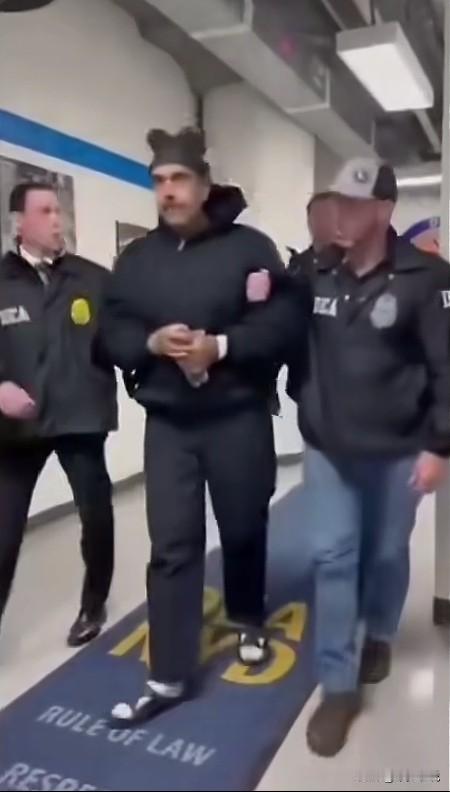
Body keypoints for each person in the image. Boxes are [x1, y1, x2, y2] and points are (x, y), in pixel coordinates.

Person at [101, 126, 305, 724]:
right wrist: (149, 342)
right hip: (169, 424)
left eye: (179, 179)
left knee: (242, 527)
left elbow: (282, 325)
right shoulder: (137, 260)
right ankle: (167, 674)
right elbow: (111, 329)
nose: (168, 191)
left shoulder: (250, 249)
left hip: (238, 416)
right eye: (159, 181)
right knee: (171, 547)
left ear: (204, 184)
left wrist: (222, 345)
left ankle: (247, 617)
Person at [287, 159, 450, 757]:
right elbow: (277, 330)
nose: (341, 213)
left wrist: (439, 445)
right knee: (333, 557)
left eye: (355, 204)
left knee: (385, 553)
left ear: (383, 210)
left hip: (399, 449)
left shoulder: (427, 278)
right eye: (338, 202)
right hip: (329, 447)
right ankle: (338, 687)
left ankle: (379, 630)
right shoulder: (314, 273)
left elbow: (446, 367)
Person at [0, 182, 117, 647]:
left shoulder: (93, 279)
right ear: (18, 223)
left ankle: (94, 603)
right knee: (4, 530)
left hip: (80, 418)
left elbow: (125, 337)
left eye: (59, 210)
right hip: (17, 428)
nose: (57, 219)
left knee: (96, 517)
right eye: (46, 211)